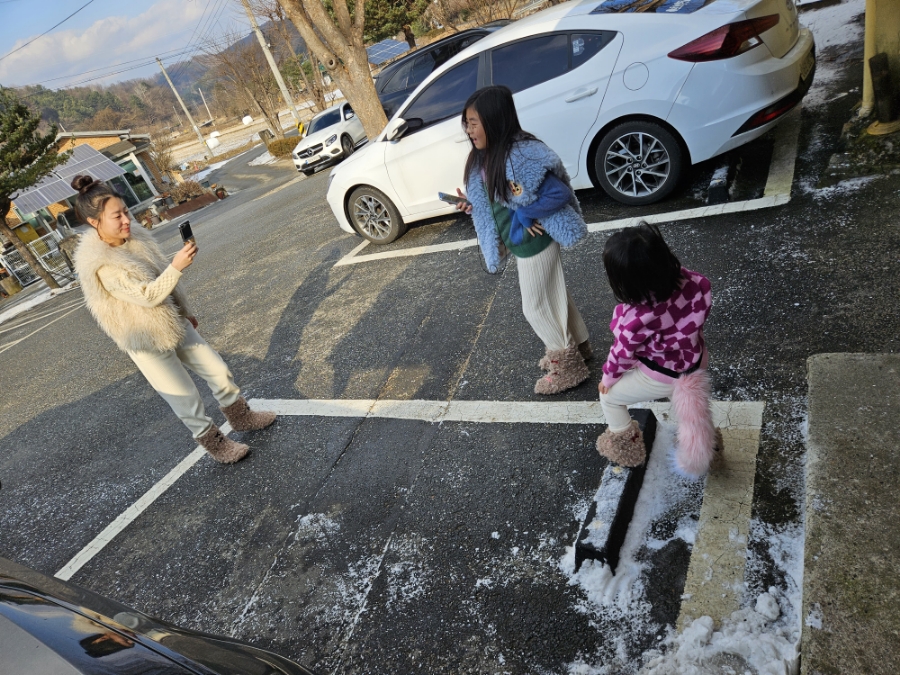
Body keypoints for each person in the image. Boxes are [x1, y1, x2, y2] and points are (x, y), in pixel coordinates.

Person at [70, 175, 275, 464]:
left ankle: (241, 417)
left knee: (218, 370)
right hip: (146, 339)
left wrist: (184, 309)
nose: (126, 220)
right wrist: (177, 266)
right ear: (95, 222)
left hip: (172, 319)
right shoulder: (102, 265)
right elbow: (148, 296)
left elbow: (162, 281)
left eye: (126, 211)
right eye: (117, 216)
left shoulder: (136, 238)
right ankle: (217, 445)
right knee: (185, 398)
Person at [456, 85, 591, 395]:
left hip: (535, 240)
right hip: (519, 240)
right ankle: (579, 348)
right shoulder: (483, 158)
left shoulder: (521, 154)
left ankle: (566, 366)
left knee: (535, 306)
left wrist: (526, 214)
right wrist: (470, 204)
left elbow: (558, 193)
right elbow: (499, 203)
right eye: (466, 122)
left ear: (494, 120)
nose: (468, 129)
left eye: (473, 122)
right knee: (555, 295)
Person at [595, 221, 721, 478]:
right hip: (695, 358)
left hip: (662, 373)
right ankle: (708, 445)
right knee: (692, 411)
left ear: (625, 281)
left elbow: (621, 353)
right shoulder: (693, 281)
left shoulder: (637, 316)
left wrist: (608, 377)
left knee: (609, 398)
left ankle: (625, 447)